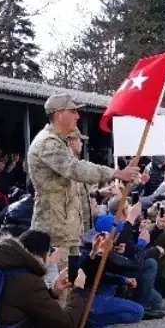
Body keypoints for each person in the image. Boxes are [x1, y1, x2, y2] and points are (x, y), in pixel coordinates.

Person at [28, 94, 139, 276]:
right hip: (54, 233)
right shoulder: (47, 143)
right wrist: (116, 173)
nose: (77, 116)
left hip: (67, 231)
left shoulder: (59, 143)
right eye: (72, 111)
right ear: (58, 114)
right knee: (59, 288)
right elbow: (75, 169)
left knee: (71, 286)